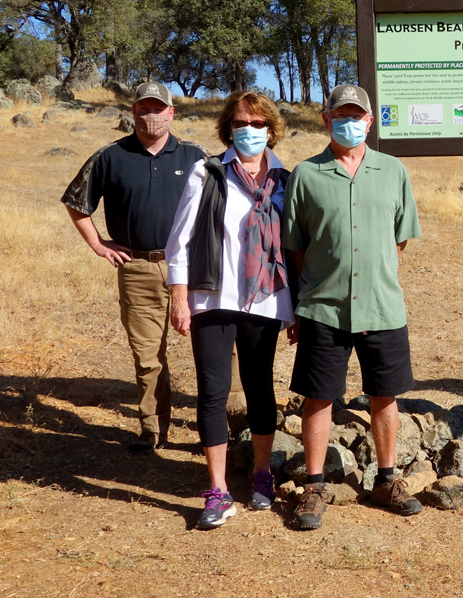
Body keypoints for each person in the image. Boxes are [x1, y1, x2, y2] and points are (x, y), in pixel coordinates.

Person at [281, 83, 423, 530]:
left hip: (382, 307)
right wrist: (320, 285)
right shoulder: (306, 174)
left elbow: (399, 239)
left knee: (384, 395)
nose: (350, 121)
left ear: (370, 119)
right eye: (340, 114)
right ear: (326, 119)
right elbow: (296, 247)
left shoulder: (393, 170)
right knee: (318, 398)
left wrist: (372, 273)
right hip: (324, 308)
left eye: (357, 115)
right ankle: (314, 487)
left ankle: (386, 480)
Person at [165, 91, 294, 530]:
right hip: (212, 299)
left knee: (260, 387)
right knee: (213, 392)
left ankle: (261, 473)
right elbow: (179, 240)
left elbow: (295, 249)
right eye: (241, 123)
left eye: (258, 124)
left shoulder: (286, 180)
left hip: (266, 300)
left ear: (271, 130)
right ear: (228, 128)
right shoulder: (207, 172)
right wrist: (179, 296)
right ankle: (217, 490)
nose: (249, 131)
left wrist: (294, 308)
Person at [62, 82, 209, 453]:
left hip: (194, 269)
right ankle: (153, 430)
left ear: (172, 113)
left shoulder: (196, 156)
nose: (151, 115)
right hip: (138, 268)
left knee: (216, 348)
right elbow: (77, 202)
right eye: (143, 108)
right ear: (133, 112)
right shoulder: (111, 155)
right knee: (146, 354)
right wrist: (98, 243)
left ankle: (229, 425)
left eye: (158, 108)